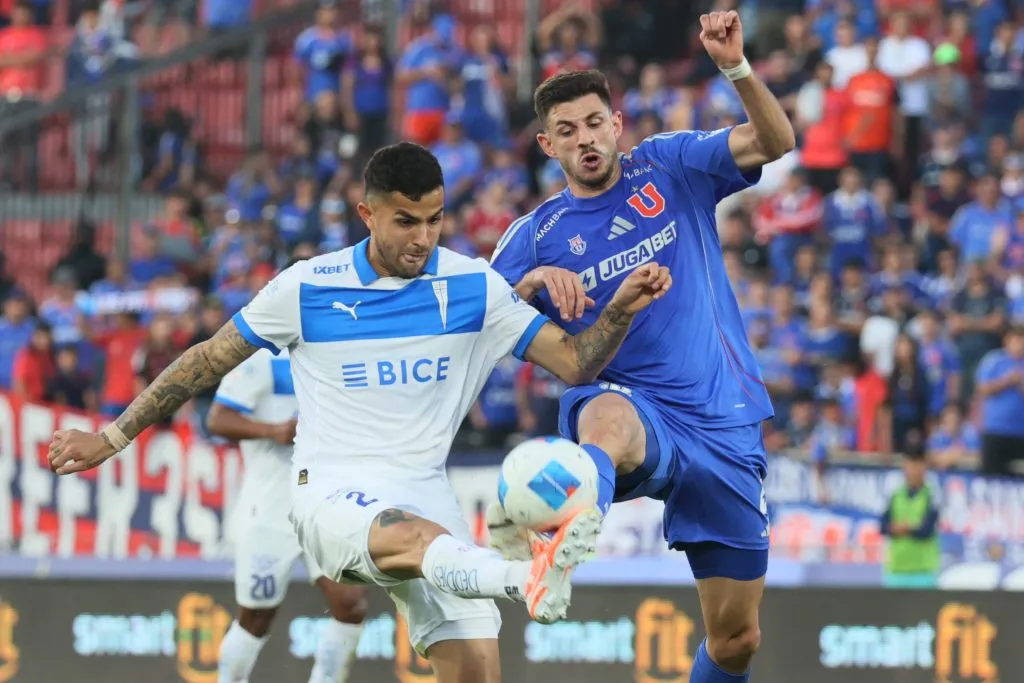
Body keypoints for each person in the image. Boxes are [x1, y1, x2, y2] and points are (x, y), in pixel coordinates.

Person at [46, 142, 672, 683]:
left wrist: (618, 310)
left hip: (427, 492)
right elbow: (207, 359)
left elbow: (574, 363)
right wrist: (114, 435)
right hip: (330, 493)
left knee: (477, 668)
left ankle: (516, 569)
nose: (423, 238)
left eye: (434, 220)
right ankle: (525, 575)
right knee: (410, 540)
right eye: (406, 221)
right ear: (367, 214)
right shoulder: (307, 287)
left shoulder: (474, 287)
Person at [489, 11, 795, 683]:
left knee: (736, 639)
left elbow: (776, 141)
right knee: (607, 414)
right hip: (634, 407)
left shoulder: (670, 164)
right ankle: (566, 536)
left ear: (616, 123)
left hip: (723, 420)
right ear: (546, 144)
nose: (585, 139)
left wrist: (735, 68)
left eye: (594, 122)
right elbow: (478, 312)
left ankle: (564, 519)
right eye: (567, 130)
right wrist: (532, 282)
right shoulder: (535, 235)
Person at [208, 338, 367, 683]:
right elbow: (218, 419)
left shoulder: (334, 348)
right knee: (256, 618)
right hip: (270, 506)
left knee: (351, 603)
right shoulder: (261, 358)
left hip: (323, 502)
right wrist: (274, 430)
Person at [879, 447, 941, 588]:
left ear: (924, 466)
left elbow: (927, 530)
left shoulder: (932, 494)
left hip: (923, 571)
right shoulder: (894, 494)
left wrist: (903, 528)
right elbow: (882, 527)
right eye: (910, 464)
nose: (914, 470)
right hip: (896, 570)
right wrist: (910, 527)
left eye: (917, 464)